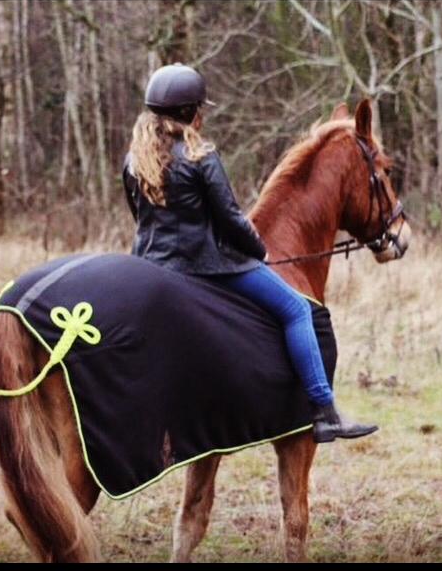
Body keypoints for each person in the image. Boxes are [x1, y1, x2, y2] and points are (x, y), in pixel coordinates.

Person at [122, 63, 378, 444]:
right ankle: (325, 411)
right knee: (297, 308)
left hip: (150, 266)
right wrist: (258, 251)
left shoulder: (134, 161)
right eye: (200, 109)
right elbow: (230, 220)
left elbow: (141, 218)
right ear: (191, 113)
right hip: (208, 267)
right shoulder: (200, 156)